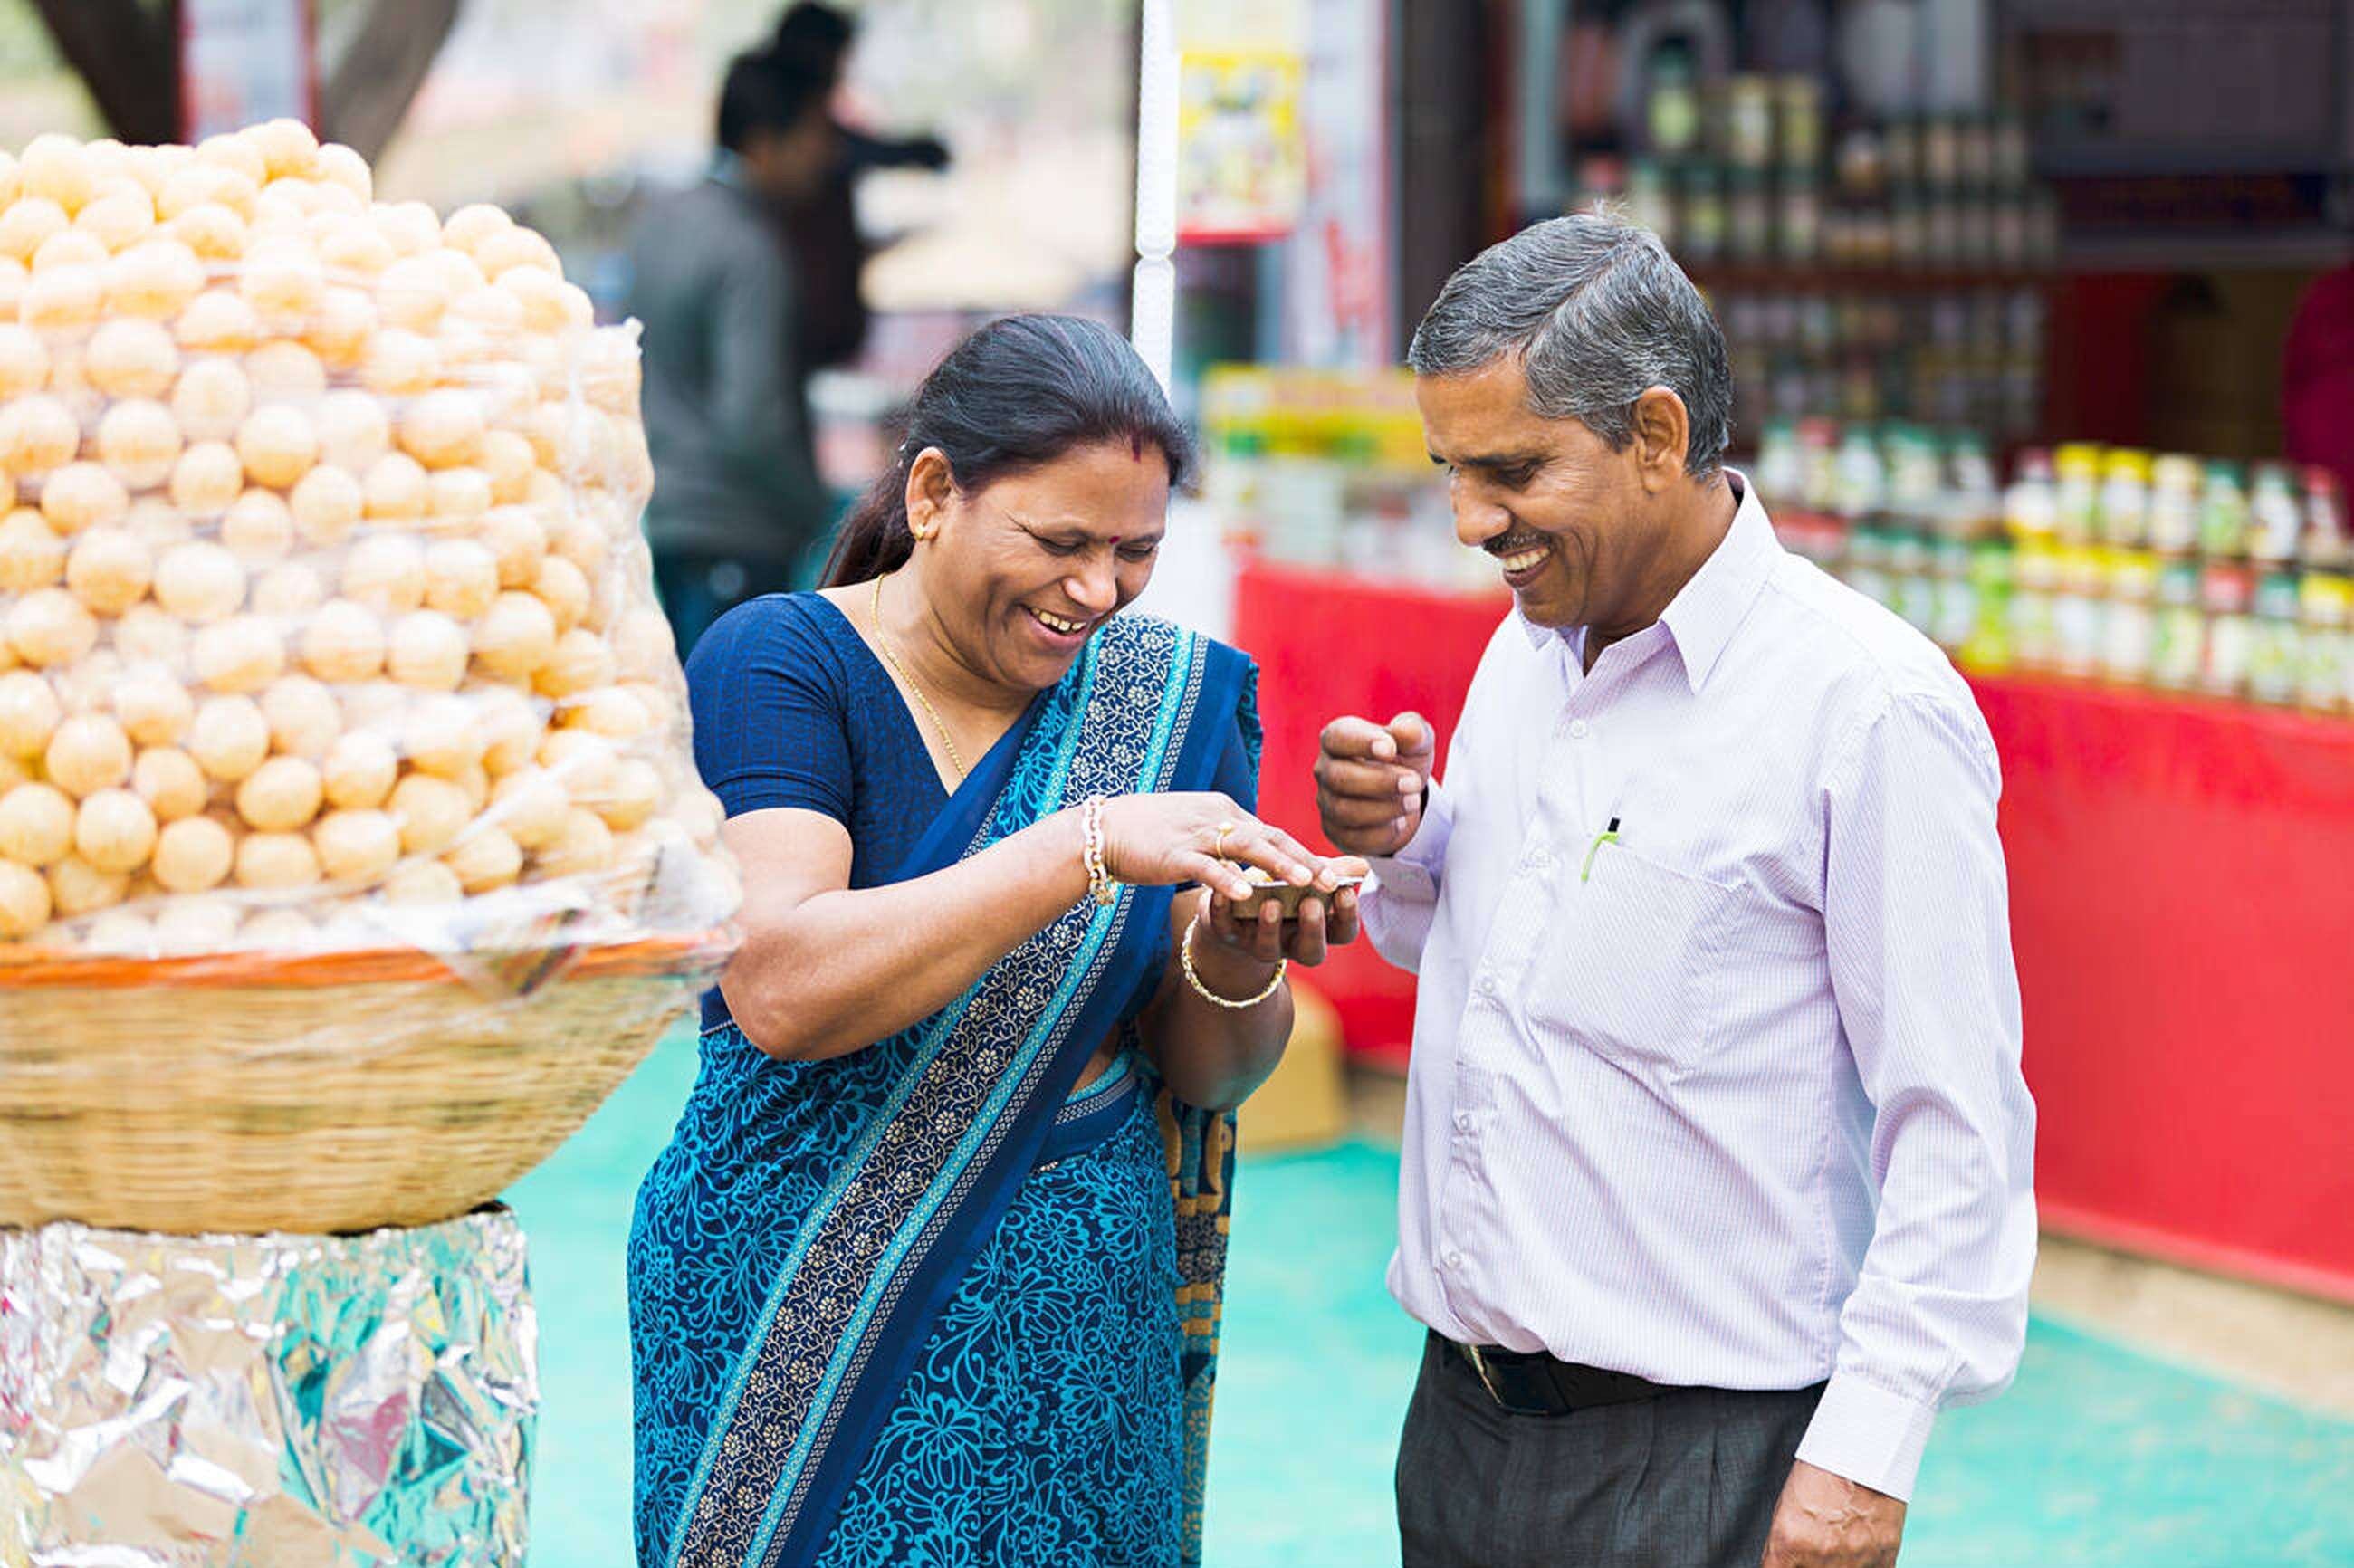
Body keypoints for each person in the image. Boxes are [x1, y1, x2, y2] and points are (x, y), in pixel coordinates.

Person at [1315, 213, 2035, 1568]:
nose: (1471, 523)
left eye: (1512, 470)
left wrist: (1862, 1458)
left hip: (1705, 1459)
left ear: (1656, 433)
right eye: (1452, 472)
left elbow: (1956, 1123)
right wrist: (1410, 834)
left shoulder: (1865, 708)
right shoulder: (1529, 648)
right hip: (1460, 1423)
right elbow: (1504, 953)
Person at [629, 313, 1363, 1568]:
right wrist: (1081, 846)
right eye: (1059, 542)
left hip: (1080, 1345)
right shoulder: (783, 660)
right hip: (798, 1313)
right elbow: (782, 989)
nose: (1097, 591)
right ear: (932, 494)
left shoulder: (1165, 703)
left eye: (1135, 551)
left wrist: (1242, 955)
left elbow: (1210, 1075)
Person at [627, 51, 838, 659]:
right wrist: (817, 508)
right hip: (736, 527)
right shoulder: (748, 247)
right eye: (815, 136)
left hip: (668, 518)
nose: (826, 156)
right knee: (735, 703)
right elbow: (752, 419)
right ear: (765, 142)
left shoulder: (661, 223)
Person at [763, 2, 952, 375]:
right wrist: (909, 152)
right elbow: (844, 151)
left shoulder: (809, 114)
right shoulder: (779, 106)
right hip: (794, 312)